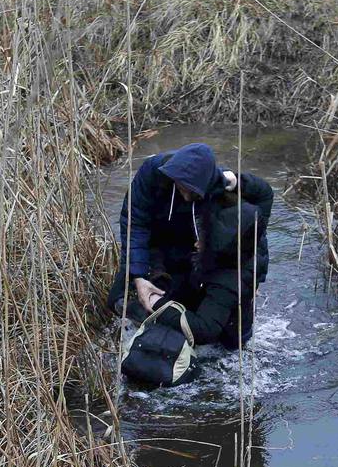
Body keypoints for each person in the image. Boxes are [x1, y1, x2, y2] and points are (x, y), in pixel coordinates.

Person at [106, 142, 272, 334]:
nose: (185, 196)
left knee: (227, 331)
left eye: (192, 192)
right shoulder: (153, 175)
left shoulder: (221, 184)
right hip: (163, 244)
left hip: (197, 251)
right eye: (182, 188)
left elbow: (258, 216)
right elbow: (134, 222)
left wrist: (253, 281)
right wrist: (138, 276)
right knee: (119, 300)